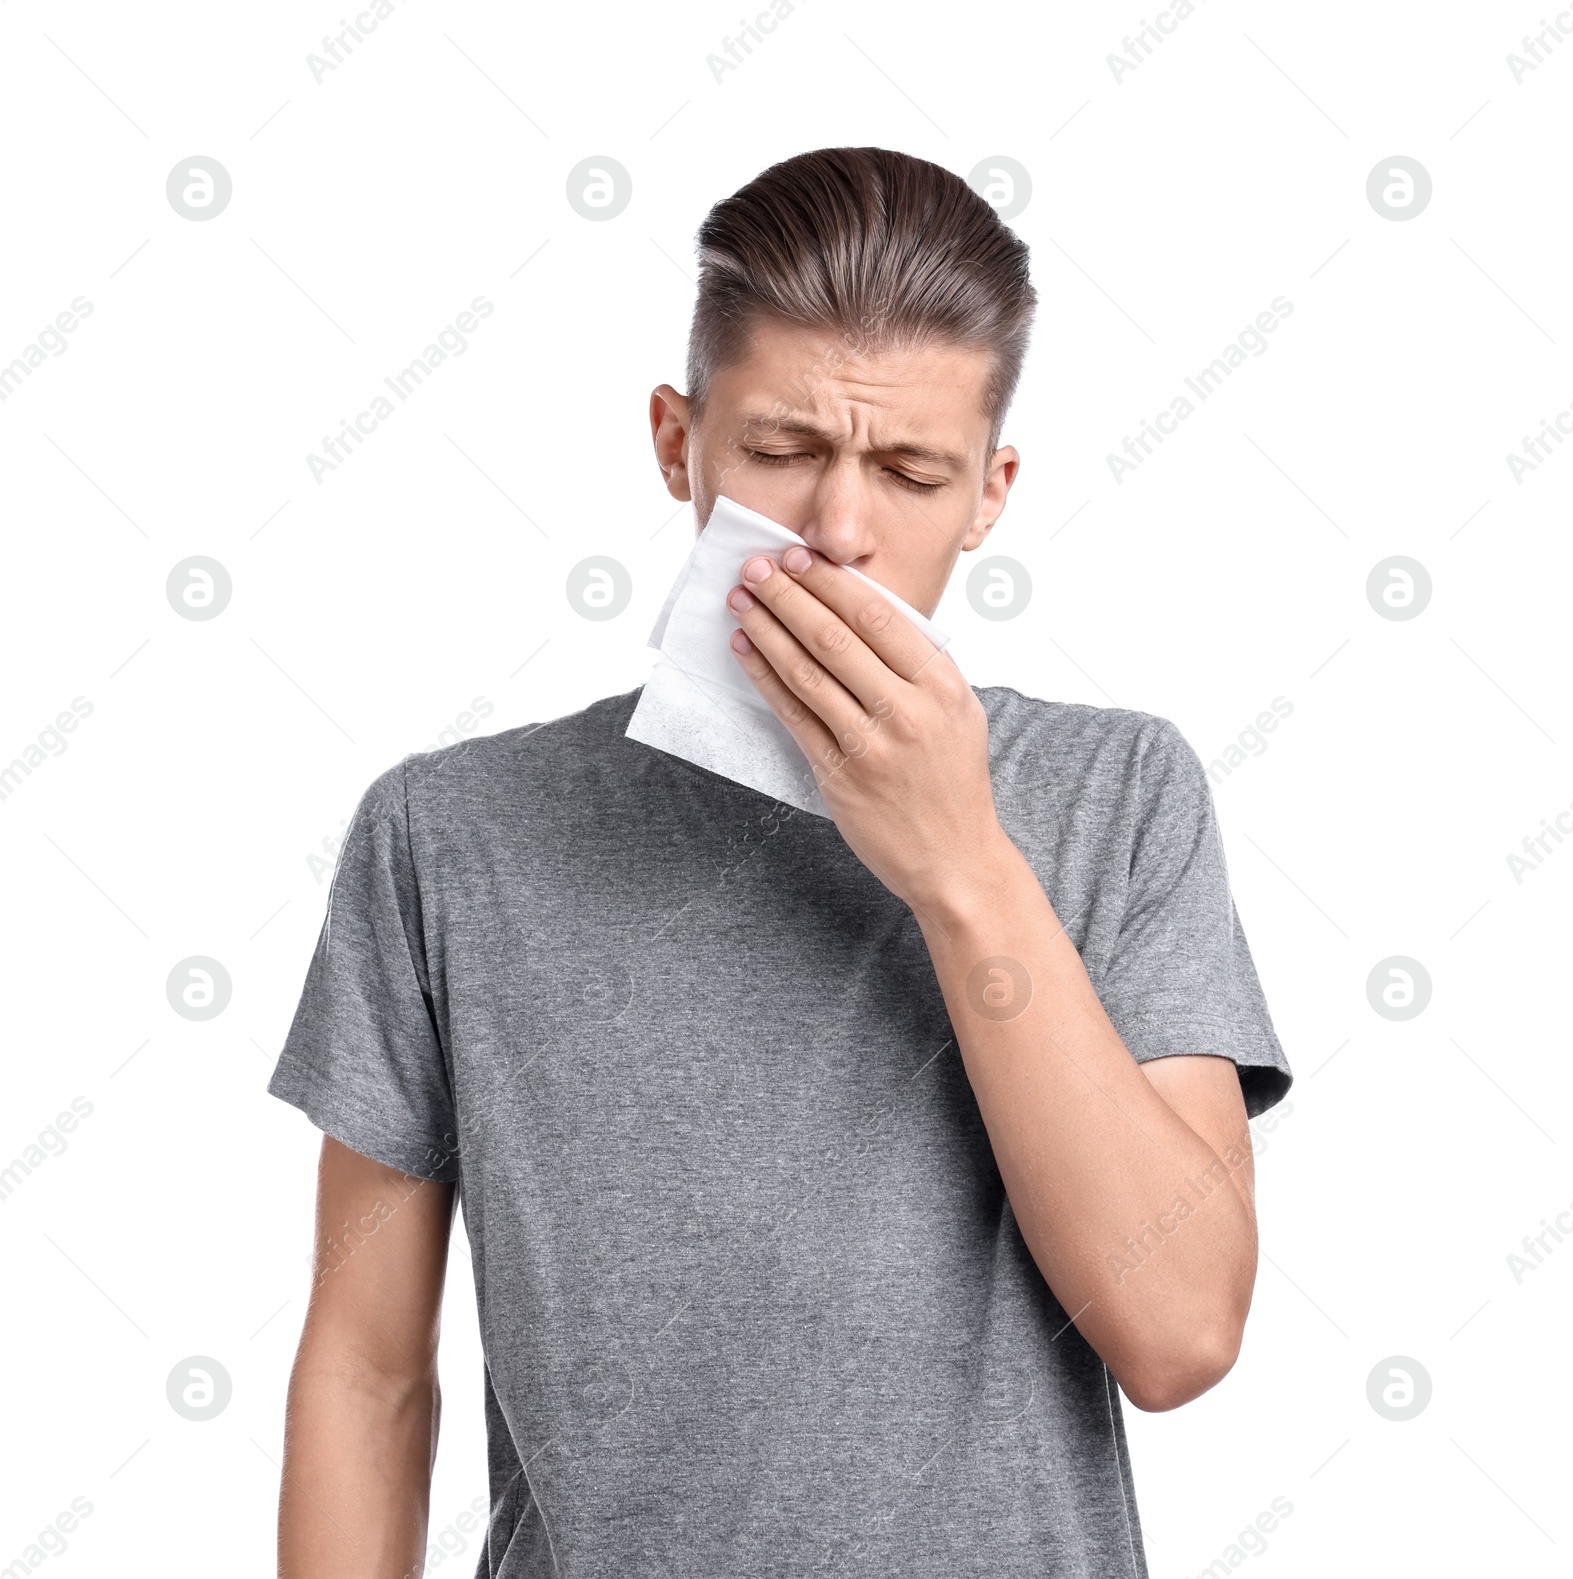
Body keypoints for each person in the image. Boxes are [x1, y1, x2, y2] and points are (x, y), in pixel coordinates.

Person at [269, 144, 1292, 1579]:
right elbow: (367, 1377)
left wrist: (960, 866)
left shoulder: (1117, 796)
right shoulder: (448, 836)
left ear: (991, 494)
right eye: (784, 452)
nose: (841, 533)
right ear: (678, 443)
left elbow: (1180, 1333)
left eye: (913, 472)